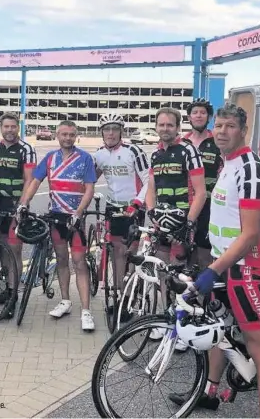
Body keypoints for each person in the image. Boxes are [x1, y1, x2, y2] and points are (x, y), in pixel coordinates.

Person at [172, 103, 260, 417]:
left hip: (246, 266)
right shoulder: (227, 163)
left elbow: (248, 235)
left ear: (243, 131)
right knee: (220, 327)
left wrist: (213, 270)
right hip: (224, 261)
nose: (222, 131)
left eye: (229, 126)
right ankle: (209, 391)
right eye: (219, 125)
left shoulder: (252, 169)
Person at [17, 120, 97, 332]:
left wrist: (78, 213)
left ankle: (86, 311)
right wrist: (24, 204)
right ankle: (65, 301)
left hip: (75, 220)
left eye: (71, 134)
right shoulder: (50, 158)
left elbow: (89, 189)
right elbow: (35, 181)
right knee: (61, 259)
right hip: (56, 218)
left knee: (79, 263)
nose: (68, 138)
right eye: (64, 134)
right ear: (57, 135)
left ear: (76, 136)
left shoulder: (85, 158)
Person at [145, 107, 206, 348]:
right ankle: (165, 318)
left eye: (170, 125)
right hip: (162, 222)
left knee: (184, 273)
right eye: (161, 125)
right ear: (156, 127)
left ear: (178, 127)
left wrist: (189, 223)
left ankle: (186, 323)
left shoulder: (188, 150)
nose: (165, 129)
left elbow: (200, 192)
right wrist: (152, 213)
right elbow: (151, 188)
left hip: (184, 222)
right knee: (162, 270)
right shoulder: (155, 154)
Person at [92, 113, 150, 306]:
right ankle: (119, 294)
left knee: (129, 253)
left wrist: (137, 204)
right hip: (112, 206)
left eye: (114, 129)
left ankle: (131, 293)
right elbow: (90, 180)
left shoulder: (133, 151)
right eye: (106, 129)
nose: (110, 133)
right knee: (116, 252)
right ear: (102, 132)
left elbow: (149, 182)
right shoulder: (99, 154)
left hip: (133, 207)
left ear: (121, 131)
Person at [0, 113, 36, 312]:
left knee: (15, 250)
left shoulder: (26, 150)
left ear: (18, 127)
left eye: (13, 126)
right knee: (2, 247)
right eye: (6, 126)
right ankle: (9, 288)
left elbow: (29, 180)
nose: (9, 130)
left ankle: (13, 294)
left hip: (16, 206)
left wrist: (23, 204)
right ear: (1, 128)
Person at [184, 98, 223, 269]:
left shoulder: (218, 142)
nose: (199, 116)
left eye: (203, 112)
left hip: (210, 205)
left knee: (204, 253)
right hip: (185, 203)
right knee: (184, 253)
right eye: (195, 112)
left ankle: (205, 294)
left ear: (209, 117)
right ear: (189, 117)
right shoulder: (182, 143)